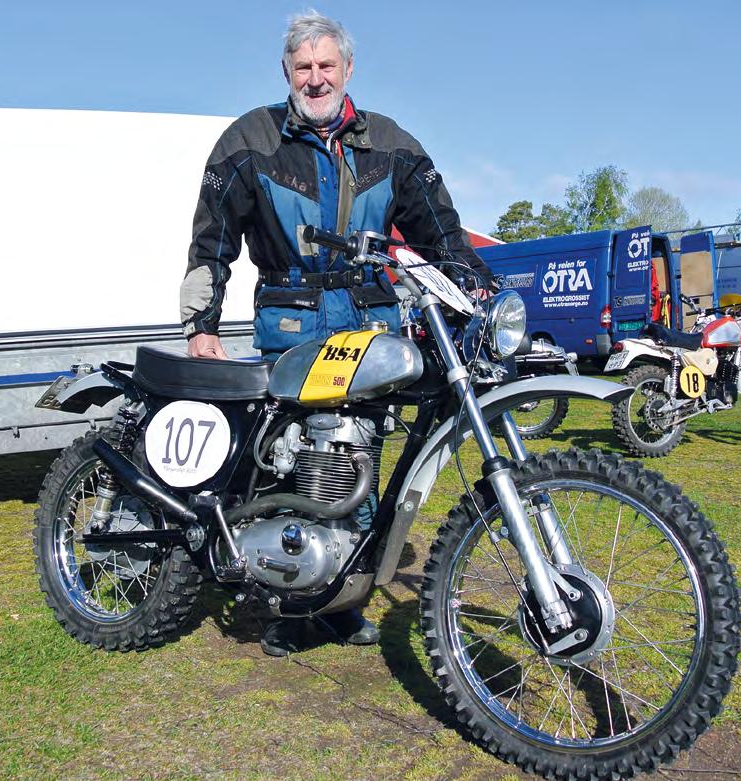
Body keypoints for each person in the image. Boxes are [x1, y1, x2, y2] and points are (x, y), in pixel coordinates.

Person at [180, 11, 493, 656]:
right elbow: (211, 241)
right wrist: (200, 325)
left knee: (360, 463)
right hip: (290, 322)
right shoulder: (250, 139)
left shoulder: (391, 143)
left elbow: (441, 230)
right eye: (304, 67)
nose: (316, 79)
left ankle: (341, 600)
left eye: (327, 66)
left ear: (347, 70)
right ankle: (286, 605)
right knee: (292, 459)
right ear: (287, 73)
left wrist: (479, 289)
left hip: (370, 324)